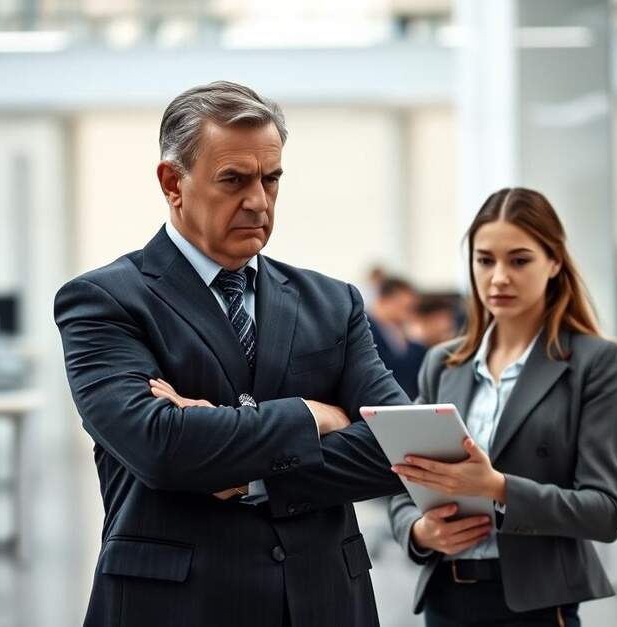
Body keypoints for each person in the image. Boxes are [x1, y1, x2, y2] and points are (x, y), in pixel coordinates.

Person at [54, 81, 408, 627]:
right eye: (234, 180)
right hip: (174, 608)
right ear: (172, 183)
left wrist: (245, 472)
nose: (259, 201)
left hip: (322, 602)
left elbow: (398, 448)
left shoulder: (333, 303)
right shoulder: (105, 300)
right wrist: (313, 416)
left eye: (271, 179)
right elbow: (160, 447)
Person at [387, 188, 617, 627]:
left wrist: (498, 488)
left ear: (554, 262)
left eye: (519, 261)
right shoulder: (443, 363)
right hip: (446, 600)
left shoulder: (593, 363)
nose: (498, 277)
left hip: (536, 606)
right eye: (485, 260)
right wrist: (420, 532)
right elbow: (403, 485)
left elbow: (606, 512)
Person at [367, 276, 428, 399]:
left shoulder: (399, 332)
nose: (409, 313)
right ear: (385, 301)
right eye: (405, 307)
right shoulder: (365, 329)